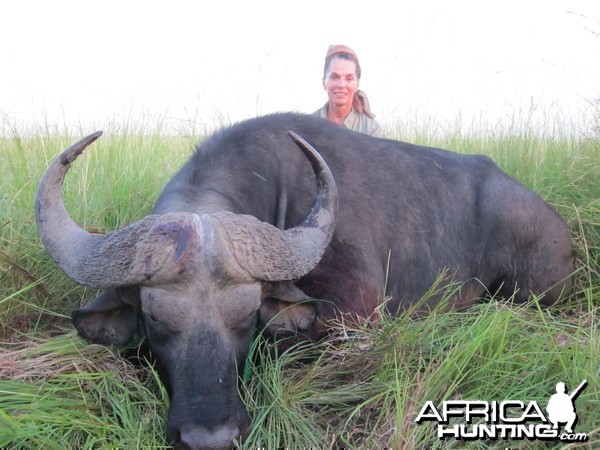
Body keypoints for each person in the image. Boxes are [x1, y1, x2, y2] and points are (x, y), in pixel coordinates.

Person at [313, 44, 384, 138]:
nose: (341, 85)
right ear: (324, 82)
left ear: (357, 84)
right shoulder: (308, 125)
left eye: (349, 78)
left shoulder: (371, 130)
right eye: (334, 77)